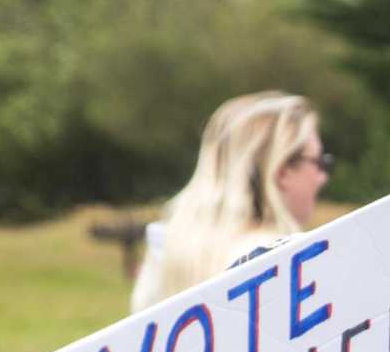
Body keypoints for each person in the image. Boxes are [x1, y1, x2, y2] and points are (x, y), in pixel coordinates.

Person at [130, 91, 332, 313]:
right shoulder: (290, 263)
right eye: (320, 162)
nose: (322, 177)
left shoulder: (165, 246)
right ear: (283, 171)